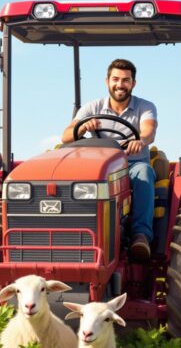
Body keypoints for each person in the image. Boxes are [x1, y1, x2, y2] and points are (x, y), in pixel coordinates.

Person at [61, 59, 158, 261]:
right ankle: (70, 234)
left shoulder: (145, 107)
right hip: (98, 167)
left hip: (131, 164)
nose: (120, 84)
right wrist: (83, 127)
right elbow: (66, 136)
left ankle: (141, 235)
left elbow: (149, 130)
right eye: (115, 79)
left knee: (144, 172)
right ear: (107, 81)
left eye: (126, 80)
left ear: (133, 83)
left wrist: (140, 140)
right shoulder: (92, 107)